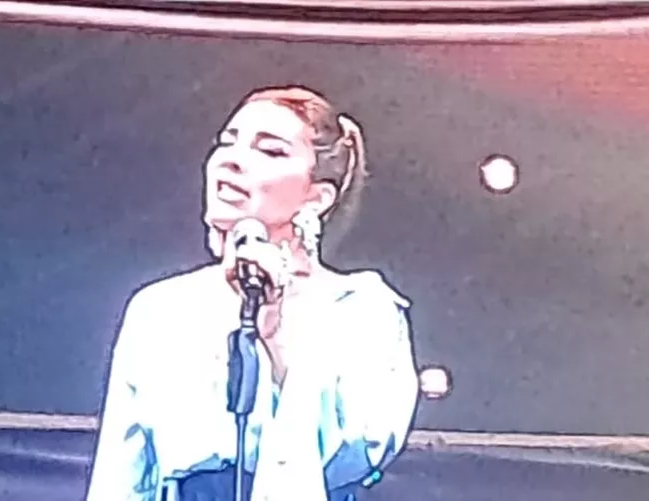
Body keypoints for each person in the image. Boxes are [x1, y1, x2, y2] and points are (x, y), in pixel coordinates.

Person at [85, 85, 419, 501]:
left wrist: (276, 343)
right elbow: (122, 475)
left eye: (271, 150)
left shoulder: (360, 308)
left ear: (317, 197)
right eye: (227, 142)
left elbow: (359, 451)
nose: (231, 159)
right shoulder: (161, 308)